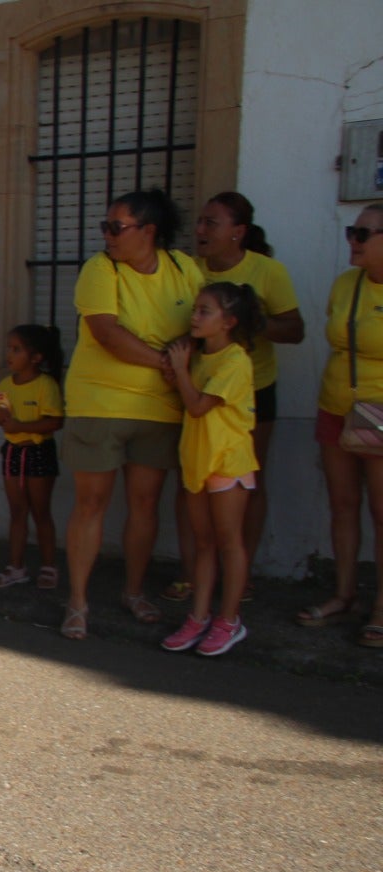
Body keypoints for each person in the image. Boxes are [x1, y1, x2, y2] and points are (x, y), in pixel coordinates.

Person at [59, 188, 203, 640]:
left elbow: (202, 326)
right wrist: (168, 365)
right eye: (106, 226)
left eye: (115, 227)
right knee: (91, 503)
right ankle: (78, 602)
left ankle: (133, 591)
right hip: (99, 403)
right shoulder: (99, 269)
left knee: (145, 504)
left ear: (149, 231)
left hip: (161, 408)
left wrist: (182, 370)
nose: (107, 235)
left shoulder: (185, 269)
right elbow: (106, 332)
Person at [163, 192, 305, 602]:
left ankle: (239, 573)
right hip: (196, 385)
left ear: (238, 232)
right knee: (190, 481)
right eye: (200, 222)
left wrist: (246, 326)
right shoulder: (189, 270)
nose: (201, 231)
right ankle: (192, 573)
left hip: (252, 390)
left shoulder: (268, 271)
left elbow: (295, 330)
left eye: (212, 223)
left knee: (244, 483)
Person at [159, 283, 262, 656]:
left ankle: (229, 620)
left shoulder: (237, 361)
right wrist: (180, 375)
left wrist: (182, 372)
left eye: (205, 311)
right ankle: (198, 617)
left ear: (229, 322)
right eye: (195, 309)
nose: (195, 317)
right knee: (203, 544)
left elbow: (199, 406)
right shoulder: (200, 358)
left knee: (229, 542)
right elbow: (188, 398)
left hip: (227, 462)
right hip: (197, 461)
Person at [299, 203, 383, 650]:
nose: (352, 240)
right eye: (352, 231)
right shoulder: (345, 285)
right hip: (335, 407)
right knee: (343, 504)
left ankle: (382, 609)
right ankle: (344, 594)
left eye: (363, 234)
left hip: (381, 413)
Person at [0, 324, 65, 589]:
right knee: (17, 511)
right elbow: (0, 412)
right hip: (12, 452)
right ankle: (16, 567)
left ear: (36, 357)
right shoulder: (4, 385)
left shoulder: (46, 385)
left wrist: (20, 427)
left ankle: (48, 566)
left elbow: (55, 422)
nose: (9, 354)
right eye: (9, 348)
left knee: (41, 511)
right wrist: (2, 418)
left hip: (39, 452)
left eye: (17, 349)